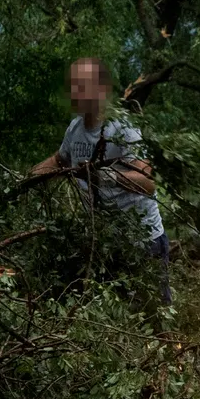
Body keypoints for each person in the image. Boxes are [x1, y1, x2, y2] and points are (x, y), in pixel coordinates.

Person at [31, 57, 171, 305]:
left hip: (141, 241)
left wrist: (107, 176)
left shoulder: (123, 128)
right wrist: (26, 179)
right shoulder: (75, 128)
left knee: (150, 313)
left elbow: (149, 182)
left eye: (81, 85)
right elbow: (59, 160)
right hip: (104, 242)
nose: (75, 92)